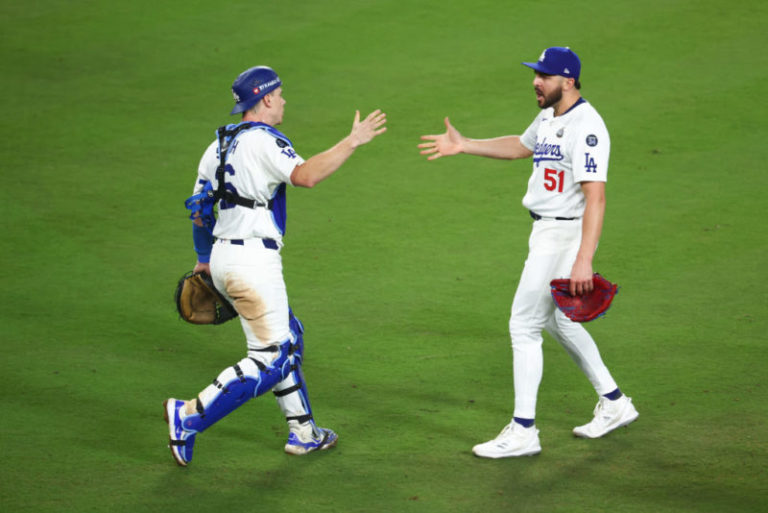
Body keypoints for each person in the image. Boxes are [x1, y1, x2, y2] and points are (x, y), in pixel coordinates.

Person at [418, 47, 637, 458]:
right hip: (544, 233)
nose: (536, 81)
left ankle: (524, 430)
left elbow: (597, 198)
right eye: (536, 74)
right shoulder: (550, 116)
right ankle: (615, 403)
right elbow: (522, 146)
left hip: (563, 235)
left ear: (568, 80)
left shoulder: (587, 127)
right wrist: (466, 145)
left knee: (523, 325)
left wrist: (584, 259)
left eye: (545, 76)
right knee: (559, 323)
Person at [164, 65, 387, 467]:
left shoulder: (216, 144)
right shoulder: (265, 141)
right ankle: (189, 415)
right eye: (280, 94)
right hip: (253, 262)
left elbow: (198, 207)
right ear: (265, 98)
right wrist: (352, 142)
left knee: (288, 336)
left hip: (221, 258)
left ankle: (303, 433)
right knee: (272, 356)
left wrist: (203, 260)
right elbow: (305, 176)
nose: (284, 100)